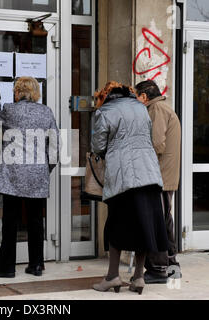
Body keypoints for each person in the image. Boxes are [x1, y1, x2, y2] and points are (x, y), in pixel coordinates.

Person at [91, 81, 168, 295]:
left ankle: (113, 276)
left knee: (117, 225)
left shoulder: (105, 112)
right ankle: (139, 277)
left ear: (105, 96)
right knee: (144, 226)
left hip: (123, 178)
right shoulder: (141, 108)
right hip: (149, 173)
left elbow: (97, 146)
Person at [0, 77, 59, 278]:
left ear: (17, 92)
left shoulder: (10, 109)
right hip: (37, 173)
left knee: (10, 221)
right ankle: (36, 265)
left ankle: (6, 268)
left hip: (13, 173)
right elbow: (54, 145)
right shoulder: (46, 112)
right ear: (36, 93)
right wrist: (46, 168)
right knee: (35, 220)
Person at [135, 80, 182, 284]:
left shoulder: (156, 109)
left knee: (158, 222)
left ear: (144, 97)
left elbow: (156, 144)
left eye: (135, 96)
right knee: (164, 219)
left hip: (159, 176)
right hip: (163, 175)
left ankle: (159, 268)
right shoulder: (162, 107)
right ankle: (171, 265)